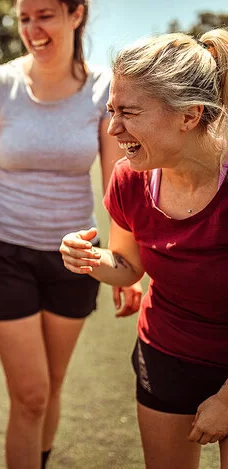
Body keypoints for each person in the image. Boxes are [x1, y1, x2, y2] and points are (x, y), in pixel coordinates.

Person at [0, 1, 142, 467]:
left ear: (76, 14)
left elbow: (118, 178)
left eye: (45, 15)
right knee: (32, 394)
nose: (32, 29)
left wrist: (127, 263)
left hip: (76, 257)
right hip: (5, 254)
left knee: (51, 387)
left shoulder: (104, 89)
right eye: (24, 18)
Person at [60, 29, 228, 469]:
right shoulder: (129, 178)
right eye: (111, 111)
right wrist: (91, 260)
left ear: (189, 115)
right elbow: (128, 265)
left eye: (128, 113)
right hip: (166, 350)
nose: (113, 129)